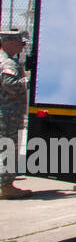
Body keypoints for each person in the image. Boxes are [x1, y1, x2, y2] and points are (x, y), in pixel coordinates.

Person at [0, 27, 33, 198]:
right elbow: (10, 83)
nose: (22, 46)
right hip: (8, 115)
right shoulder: (8, 63)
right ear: (9, 42)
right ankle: (6, 187)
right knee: (8, 149)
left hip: (7, 113)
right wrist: (27, 80)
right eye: (20, 43)